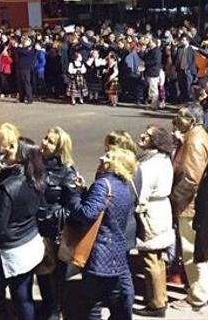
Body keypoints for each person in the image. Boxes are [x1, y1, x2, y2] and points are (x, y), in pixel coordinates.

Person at [0, 138, 46, 320]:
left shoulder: (8, 187)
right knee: (23, 299)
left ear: (23, 155)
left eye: (13, 147)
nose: (7, 149)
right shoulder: (36, 177)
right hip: (28, 247)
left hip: (6, 252)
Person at [68, 135, 138, 319]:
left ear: (116, 164)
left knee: (93, 304)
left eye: (108, 157)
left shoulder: (103, 184)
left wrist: (75, 196)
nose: (102, 157)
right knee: (117, 300)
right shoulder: (124, 185)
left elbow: (87, 214)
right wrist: (86, 192)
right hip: (116, 252)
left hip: (99, 252)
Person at [168, 104, 208, 312]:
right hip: (193, 204)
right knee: (197, 250)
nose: (176, 120)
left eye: (181, 117)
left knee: (191, 250)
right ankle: (204, 289)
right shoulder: (194, 137)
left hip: (190, 206)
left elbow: (190, 179)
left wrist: (175, 202)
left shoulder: (195, 141)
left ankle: (197, 295)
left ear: (192, 120)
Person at [35, 127, 81, 320]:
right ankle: (46, 306)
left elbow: (73, 205)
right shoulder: (34, 164)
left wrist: (51, 218)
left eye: (51, 141)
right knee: (41, 272)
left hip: (54, 232)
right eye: (45, 138)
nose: (45, 142)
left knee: (55, 275)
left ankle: (55, 310)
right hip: (34, 228)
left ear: (60, 148)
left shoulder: (67, 171)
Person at [134, 126, 176, 317]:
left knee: (151, 259)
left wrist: (137, 211)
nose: (143, 136)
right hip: (161, 209)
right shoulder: (163, 159)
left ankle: (157, 303)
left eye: (148, 136)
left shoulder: (149, 165)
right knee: (157, 259)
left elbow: (142, 193)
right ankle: (160, 297)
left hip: (151, 212)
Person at [15, 37, 36, 104]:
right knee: (20, 84)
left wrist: (18, 47)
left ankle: (30, 98)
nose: (24, 42)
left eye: (26, 41)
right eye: (24, 41)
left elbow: (24, 52)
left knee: (27, 83)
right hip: (20, 67)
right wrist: (18, 48)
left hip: (26, 68)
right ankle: (21, 98)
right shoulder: (21, 48)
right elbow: (17, 51)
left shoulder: (31, 48)